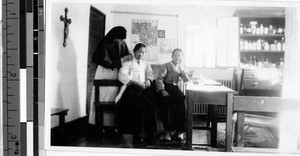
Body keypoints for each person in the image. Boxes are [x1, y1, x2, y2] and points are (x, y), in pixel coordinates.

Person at [88, 26, 133, 127]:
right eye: (119, 39)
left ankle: (113, 124)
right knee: (104, 96)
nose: (120, 41)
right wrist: (122, 59)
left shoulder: (122, 42)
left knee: (114, 97)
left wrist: (128, 59)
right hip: (105, 71)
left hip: (116, 72)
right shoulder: (104, 43)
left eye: (122, 39)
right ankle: (101, 123)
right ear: (113, 36)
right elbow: (106, 63)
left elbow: (127, 56)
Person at [117, 43, 157, 147]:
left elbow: (149, 74)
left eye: (143, 52)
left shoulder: (145, 64)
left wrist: (148, 80)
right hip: (131, 88)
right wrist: (136, 82)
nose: (140, 54)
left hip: (143, 89)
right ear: (134, 51)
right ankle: (136, 135)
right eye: (139, 52)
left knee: (151, 105)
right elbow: (122, 75)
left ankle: (151, 135)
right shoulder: (128, 63)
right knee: (137, 107)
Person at [155, 48, 190, 142]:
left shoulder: (180, 67)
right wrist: (162, 91)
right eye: (175, 55)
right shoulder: (166, 66)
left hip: (175, 89)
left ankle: (179, 131)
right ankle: (167, 131)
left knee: (182, 102)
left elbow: (186, 80)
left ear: (182, 58)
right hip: (166, 88)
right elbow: (159, 79)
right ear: (172, 56)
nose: (177, 57)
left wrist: (184, 73)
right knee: (166, 105)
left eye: (179, 56)